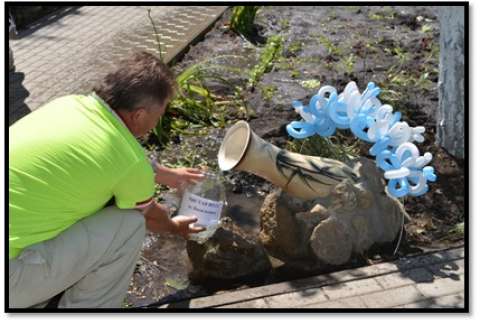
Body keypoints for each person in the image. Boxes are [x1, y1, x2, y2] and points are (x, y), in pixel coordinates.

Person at [9, 52, 206, 308]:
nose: (160, 119)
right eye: (161, 113)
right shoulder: (129, 162)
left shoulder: (70, 104)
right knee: (129, 224)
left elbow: (107, 153)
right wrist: (174, 227)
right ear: (139, 115)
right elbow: (150, 216)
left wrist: (169, 175)